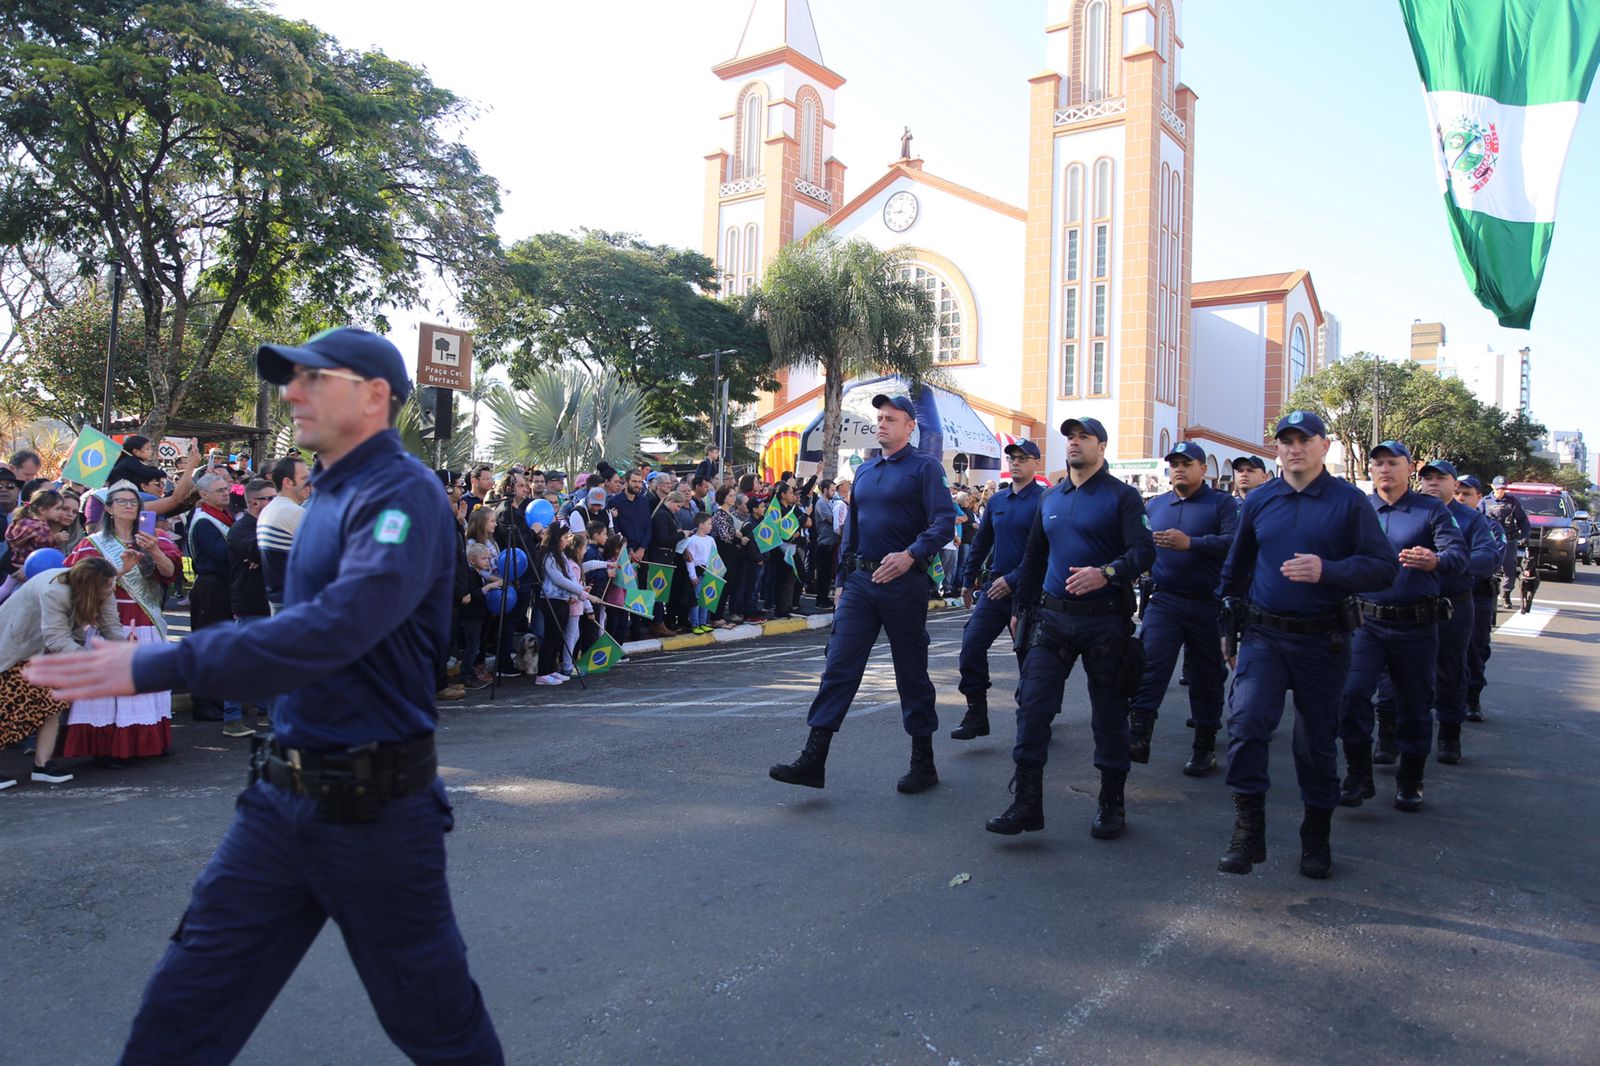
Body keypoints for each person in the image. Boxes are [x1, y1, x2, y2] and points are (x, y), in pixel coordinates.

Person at [25, 326, 503, 1063]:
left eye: (314, 379)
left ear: (374, 397)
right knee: (182, 1014)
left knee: (440, 1029)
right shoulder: (328, 493)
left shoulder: (400, 495)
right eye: (292, 379)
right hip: (279, 803)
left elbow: (335, 629)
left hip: (374, 816)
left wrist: (155, 667)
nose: (292, 393)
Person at [1215, 411, 1397, 879]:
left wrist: (1329, 570)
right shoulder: (1259, 502)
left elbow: (1383, 568)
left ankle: (1316, 834)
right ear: (1276, 448)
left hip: (1325, 640)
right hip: (1264, 637)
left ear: (1325, 445)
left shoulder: (1349, 503)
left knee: (1315, 743)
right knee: (1246, 723)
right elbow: (1234, 572)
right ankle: (1247, 828)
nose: (1294, 447)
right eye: (1286, 440)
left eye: (1304, 439)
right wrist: (1228, 630)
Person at [769, 393, 955, 793]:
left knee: (911, 672)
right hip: (859, 584)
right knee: (839, 666)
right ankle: (813, 759)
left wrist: (911, 555)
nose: (882, 423)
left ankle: (923, 761)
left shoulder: (925, 468)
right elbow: (850, 530)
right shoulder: (867, 471)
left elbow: (944, 524)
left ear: (910, 427)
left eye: (891, 418)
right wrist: (838, 582)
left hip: (904, 584)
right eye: (880, 417)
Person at [984, 418, 1154, 839]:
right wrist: (1020, 610)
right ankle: (1026, 804)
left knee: (1110, 717)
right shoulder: (1051, 497)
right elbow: (1035, 559)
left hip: (1105, 621)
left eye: (1083, 437)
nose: (1074, 443)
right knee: (1033, 708)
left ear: (1102, 445)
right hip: (1052, 620)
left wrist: (1108, 572)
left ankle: (1111, 804)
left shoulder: (1123, 497)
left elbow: (1143, 551)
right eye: (1070, 437)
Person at [1336, 441, 1467, 814]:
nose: (1384, 469)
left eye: (1393, 463)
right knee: (1352, 695)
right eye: (1378, 464)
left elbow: (1459, 555)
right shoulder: (1358, 509)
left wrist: (1435, 560)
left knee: (1414, 705)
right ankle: (1359, 772)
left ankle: (1411, 779)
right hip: (1367, 622)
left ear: (1410, 468)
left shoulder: (1431, 510)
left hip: (1415, 625)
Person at [1127, 442, 1238, 775]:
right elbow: (1140, 546)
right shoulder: (1157, 504)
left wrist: (1193, 543)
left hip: (1207, 602)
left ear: (1203, 469)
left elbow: (1235, 543)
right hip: (1165, 599)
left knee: (1206, 677)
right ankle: (1138, 734)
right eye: (1174, 463)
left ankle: (1204, 746)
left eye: (1186, 463)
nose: (1178, 468)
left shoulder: (1222, 504)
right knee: (1150, 664)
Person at [61, 481, 181, 762]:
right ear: (110, 509)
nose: (129, 505)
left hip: (146, 619)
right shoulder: (92, 544)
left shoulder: (156, 538)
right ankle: (107, 747)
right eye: (122, 501)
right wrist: (120, 570)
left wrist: (155, 552)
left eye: (133, 501)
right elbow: (79, 582)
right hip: (110, 622)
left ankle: (148, 740)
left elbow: (171, 573)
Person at [0, 558, 125, 788]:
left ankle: (42, 765)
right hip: (18, 645)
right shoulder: (55, 591)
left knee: (54, 704)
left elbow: (111, 626)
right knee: (7, 709)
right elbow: (56, 638)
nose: (112, 589)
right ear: (91, 585)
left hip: (48, 652)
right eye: (108, 585)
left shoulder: (103, 586)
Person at [953, 439, 1044, 741]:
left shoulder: (1046, 500)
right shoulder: (998, 501)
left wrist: (1015, 580)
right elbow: (981, 544)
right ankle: (976, 713)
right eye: (1012, 458)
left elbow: (1047, 553)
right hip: (995, 588)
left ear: (1035, 462)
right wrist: (968, 581)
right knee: (971, 647)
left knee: (1028, 658)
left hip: (1029, 591)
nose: (1015, 462)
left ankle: (1033, 714)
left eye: (1022, 457)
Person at [1414, 459, 1499, 763]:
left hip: (1452, 604)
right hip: (1408, 605)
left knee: (1450, 670)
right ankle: (1391, 736)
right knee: (1401, 672)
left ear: (1454, 484)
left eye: (1440, 478)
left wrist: (1448, 564)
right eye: (1427, 478)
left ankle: (1450, 733)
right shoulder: (1409, 511)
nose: (1433, 483)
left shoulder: (1470, 519)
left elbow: (1488, 557)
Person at [222, 479, 277, 737]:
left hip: (270, 604)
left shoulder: (270, 525)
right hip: (249, 605)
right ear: (255, 502)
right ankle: (232, 719)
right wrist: (267, 555)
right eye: (271, 498)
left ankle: (267, 713)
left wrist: (267, 558)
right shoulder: (241, 528)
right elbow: (260, 551)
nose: (277, 503)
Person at [186, 471, 236, 722]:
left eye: (226, 488)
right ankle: (202, 702)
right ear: (204, 495)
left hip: (224, 586)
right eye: (219, 490)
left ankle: (216, 698)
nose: (225, 492)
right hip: (210, 587)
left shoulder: (223, 516)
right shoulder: (205, 521)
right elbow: (222, 554)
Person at [1454, 475, 1504, 721]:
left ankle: (1472, 698)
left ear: (1479, 497)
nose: (1461, 498)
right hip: (1446, 595)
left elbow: (1492, 558)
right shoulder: (1439, 521)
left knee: (1475, 649)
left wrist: (1451, 563)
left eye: (1467, 494)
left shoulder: (1490, 526)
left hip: (1477, 594)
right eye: (1457, 493)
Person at [258, 454, 311, 614]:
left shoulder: (271, 508)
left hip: (279, 598)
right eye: (304, 479)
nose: (310, 484)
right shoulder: (293, 512)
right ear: (287, 482)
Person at [1482, 475, 1530, 608]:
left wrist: (1525, 535)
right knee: (1488, 567)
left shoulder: (1512, 502)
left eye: (1503, 489)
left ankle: (1506, 595)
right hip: (1490, 541)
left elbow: (1523, 521)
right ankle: (1490, 595)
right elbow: (1476, 518)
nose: (1500, 491)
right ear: (1492, 487)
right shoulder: (1485, 502)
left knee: (1510, 569)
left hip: (1509, 540)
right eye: (1498, 489)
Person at [680, 511, 718, 634]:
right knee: (695, 599)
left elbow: (715, 556)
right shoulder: (692, 540)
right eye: (709, 523)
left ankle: (703, 622)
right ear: (701, 525)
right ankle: (694, 623)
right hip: (697, 572)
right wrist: (692, 576)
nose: (711, 526)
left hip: (709, 571)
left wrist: (716, 571)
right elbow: (690, 560)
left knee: (705, 598)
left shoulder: (711, 539)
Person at [811, 480, 840, 611]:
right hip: (825, 543)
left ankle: (825, 598)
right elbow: (831, 519)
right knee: (823, 574)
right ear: (824, 490)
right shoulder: (821, 503)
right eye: (832, 490)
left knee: (828, 574)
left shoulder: (831, 503)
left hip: (832, 543)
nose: (834, 493)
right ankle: (820, 600)